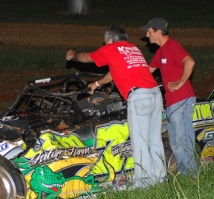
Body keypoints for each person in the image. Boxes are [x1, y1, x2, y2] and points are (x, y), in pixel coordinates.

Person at [66, 25, 165, 188]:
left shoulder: (112, 48)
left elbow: (86, 58)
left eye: (105, 42)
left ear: (110, 40)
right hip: (154, 94)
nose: (105, 45)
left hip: (139, 97)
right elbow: (114, 72)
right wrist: (97, 83)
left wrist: (73, 54)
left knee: (139, 141)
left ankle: (144, 184)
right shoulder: (132, 48)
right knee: (154, 139)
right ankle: (160, 178)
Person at [142, 17, 198, 177]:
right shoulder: (160, 52)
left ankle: (192, 175)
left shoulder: (172, 46)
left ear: (158, 31)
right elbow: (148, 71)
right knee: (175, 141)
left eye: (149, 31)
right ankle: (184, 172)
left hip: (182, 98)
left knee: (183, 139)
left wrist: (180, 83)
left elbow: (190, 62)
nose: (147, 35)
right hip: (173, 101)